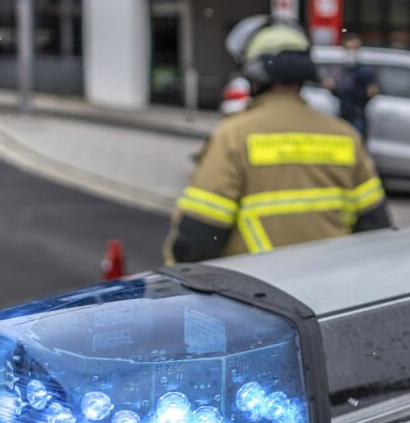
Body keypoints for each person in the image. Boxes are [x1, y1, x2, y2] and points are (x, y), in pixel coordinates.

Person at [164, 22, 391, 263]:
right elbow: (376, 228)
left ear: (253, 77)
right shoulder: (345, 136)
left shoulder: (232, 137)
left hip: (256, 292)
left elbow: (198, 239)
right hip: (329, 293)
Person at [332, 34, 379, 139]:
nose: (351, 52)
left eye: (354, 48)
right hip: (344, 114)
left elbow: (371, 92)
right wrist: (333, 88)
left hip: (358, 116)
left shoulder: (365, 71)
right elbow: (340, 93)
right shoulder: (343, 70)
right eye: (348, 48)